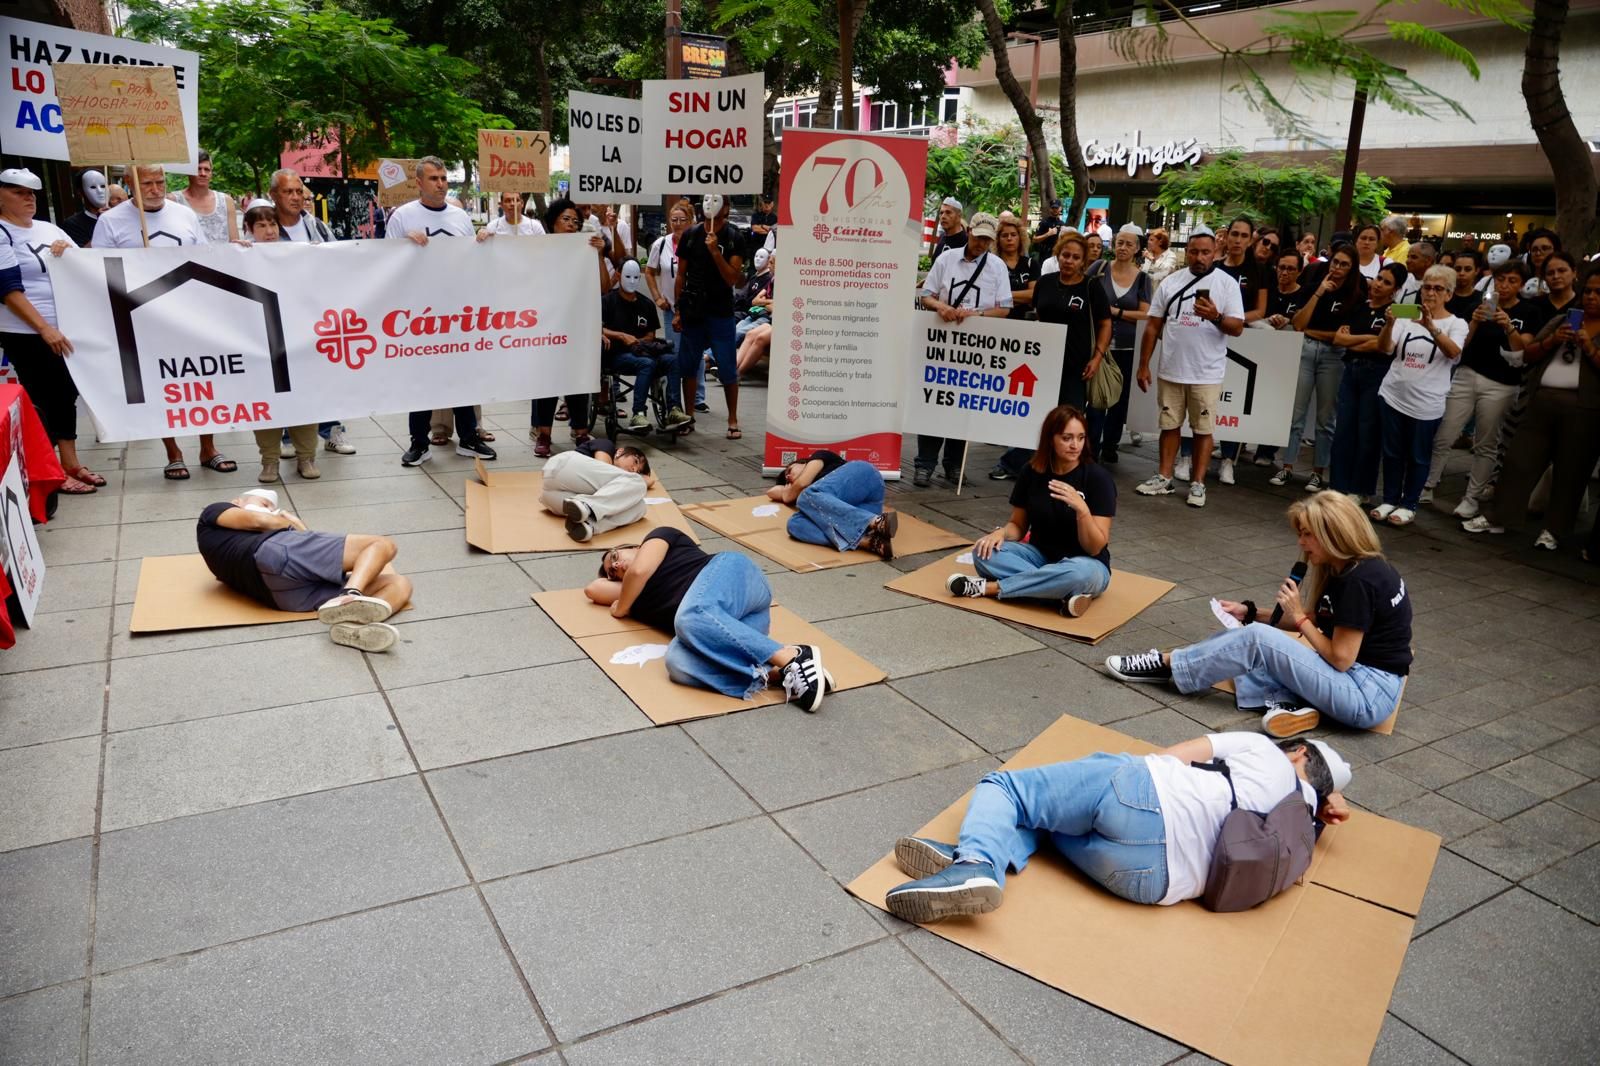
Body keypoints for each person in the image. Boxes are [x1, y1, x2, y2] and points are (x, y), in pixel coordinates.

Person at [880, 731, 1351, 921]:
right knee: (1055, 821)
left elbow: (1173, 756)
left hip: (1142, 799)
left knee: (1007, 789)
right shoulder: (1301, 835)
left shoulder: (1264, 749)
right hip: (1148, 883)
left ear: (1300, 752)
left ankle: (975, 862)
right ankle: (980, 859)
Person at [1108, 491, 1411, 737]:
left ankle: (1167, 665)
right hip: (1362, 682)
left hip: (1365, 695)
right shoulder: (1350, 568)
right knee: (1245, 649)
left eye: (1307, 534)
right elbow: (1319, 621)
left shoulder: (1358, 581)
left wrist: (1297, 617)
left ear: (1332, 534)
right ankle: (1288, 706)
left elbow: (1340, 658)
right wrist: (1250, 613)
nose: (1301, 543)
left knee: (1254, 642)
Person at [91, 164, 236, 481]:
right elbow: (98, 269)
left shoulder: (184, 215)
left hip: (189, 314)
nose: (156, 189)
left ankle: (208, 447)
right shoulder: (110, 221)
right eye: (147, 183)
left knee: (202, 380)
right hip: (143, 317)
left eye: (160, 182)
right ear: (129, 183)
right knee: (162, 385)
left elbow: (205, 257)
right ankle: (173, 452)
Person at [585, 529, 830, 711]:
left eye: (615, 555)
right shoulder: (635, 594)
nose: (617, 565)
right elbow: (593, 589)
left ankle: (793, 657)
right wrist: (624, 592)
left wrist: (621, 609)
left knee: (690, 615)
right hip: (733, 627)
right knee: (677, 663)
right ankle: (776, 673)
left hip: (736, 578)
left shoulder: (661, 537)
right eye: (612, 571)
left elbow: (639, 570)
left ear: (635, 546)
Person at [1463, 265, 1600, 551]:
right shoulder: (1562, 319)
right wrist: (1554, 339)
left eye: (1598, 293)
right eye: (1588, 291)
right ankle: (1500, 516)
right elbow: (1528, 354)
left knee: (1571, 470)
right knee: (1519, 460)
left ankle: (1554, 530)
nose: (1591, 297)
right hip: (1542, 400)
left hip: (1585, 409)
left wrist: (1589, 347)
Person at [948, 405, 1115, 618]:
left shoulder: (1098, 478)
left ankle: (991, 588)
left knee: (1077, 574)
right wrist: (1000, 533)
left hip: (1085, 563)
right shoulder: (1032, 471)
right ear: (1050, 439)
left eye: (1081, 438)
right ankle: (1056, 591)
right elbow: (1018, 525)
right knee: (982, 552)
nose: (1075, 445)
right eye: (1067, 438)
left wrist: (1082, 510)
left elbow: (1095, 547)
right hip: (1039, 556)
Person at [196, 488, 412, 652]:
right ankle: (350, 593)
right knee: (382, 545)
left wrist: (293, 527)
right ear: (237, 502)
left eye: (272, 507)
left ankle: (354, 629)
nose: (270, 509)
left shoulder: (219, 553)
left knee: (399, 584)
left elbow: (307, 549)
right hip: (272, 553)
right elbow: (259, 520)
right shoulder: (215, 510)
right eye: (264, 503)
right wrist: (288, 522)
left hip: (284, 598)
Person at [386, 157, 498, 467]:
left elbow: (471, 260)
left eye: (444, 178)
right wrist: (403, 245)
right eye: (433, 178)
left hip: (456, 313)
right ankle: (419, 443)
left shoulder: (460, 217)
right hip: (420, 316)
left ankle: (469, 438)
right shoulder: (402, 216)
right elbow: (385, 261)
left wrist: (482, 242)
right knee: (422, 380)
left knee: (461, 376)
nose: (440, 184)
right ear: (418, 183)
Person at [0, 168, 99, 496]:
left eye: (31, 193)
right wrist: (43, 328)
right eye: (18, 192)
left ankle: (69, 463)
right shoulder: (2, 232)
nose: (28, 198)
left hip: (64, 325)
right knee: (44, 396)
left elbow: (83, 265)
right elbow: (8, 289)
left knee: (65, 394)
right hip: (26, 331)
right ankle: (49, 470)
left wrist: (68, 251)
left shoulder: (47, 227)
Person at [1134, 227, 1246, 508]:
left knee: (1203, 430)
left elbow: (1237, 327)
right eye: (1194, 252)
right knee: (1169, 425)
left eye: (1205, 252)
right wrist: (1143, 365)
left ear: (1214, 252)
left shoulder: (1227, 284)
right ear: (1186, 252)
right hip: (1171, 369)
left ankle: (1198, 483)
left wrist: (1216, 316)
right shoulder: (1171, 282)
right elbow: (1152, 327)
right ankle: (1164, 477)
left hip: (1206, 372)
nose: (1199, 257)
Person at [1424, 260, 1543, 517]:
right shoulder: (1475, 306)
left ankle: (1472, 497)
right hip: (1467, 374)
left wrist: (1508, 325)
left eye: (1512, 280)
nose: (1505, 285)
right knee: (1445, 434)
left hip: (1502, 383)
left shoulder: (1529, 312)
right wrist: (1475, 322)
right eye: (1501, 279)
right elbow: (1459, 347)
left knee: (1486, 443)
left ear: (1522, 284)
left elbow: (1523, 350)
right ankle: (1427, 485)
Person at [915, 211, 1013, 486]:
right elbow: (926, 296)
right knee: (934, 403)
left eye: (987, 240)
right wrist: (942, 307)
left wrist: (977, 316)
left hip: (975, 348)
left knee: (963, 407)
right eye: (978, 237)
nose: (981, 244)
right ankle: (925, 464)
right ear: (969, 232)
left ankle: (954, 465)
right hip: (942, 343)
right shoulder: (946, 259)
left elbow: (1004, 308)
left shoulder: (997, 267)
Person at [1370, 264, 1468, 525]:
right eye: (1427, 287)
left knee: (1418, 455)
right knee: (1392, 452)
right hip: (1393, 394)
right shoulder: (1406, 316)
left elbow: (1453, 353)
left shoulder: (1456, 323)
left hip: (1426, 403)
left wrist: (1431, 327)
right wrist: (1389, 325)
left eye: (1438, 289)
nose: (1431, 293)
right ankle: (1390, 499)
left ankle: (1409, 503)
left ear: (1449, 294)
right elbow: (1385, 348)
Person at [265, 169, 354, 455]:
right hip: (282, 316)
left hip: (317, 315)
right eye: (287, 192)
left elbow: (339, 261)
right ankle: (289, 436)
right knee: (288, 376)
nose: (295, 197)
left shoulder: (317, 226)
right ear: (273, 195)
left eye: (298, 191)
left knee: (324, 375)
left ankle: (332, 431)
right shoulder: (266, 228)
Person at [1265, 243, 1365, 490]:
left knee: (1325, 418)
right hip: (1306, 350)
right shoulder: (1313, 288)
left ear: (1352, 268)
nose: (1337, 268)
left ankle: (1318, 472)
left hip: (1334, 356)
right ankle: (1287, 466)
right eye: (1335, 262)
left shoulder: (1356, 296)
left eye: (1344, 264)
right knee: (1295, 414)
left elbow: (1340, 337)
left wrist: (1314, 331)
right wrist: (1319, 292)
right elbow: (1299, 324)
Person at [529, 197, 611, 456]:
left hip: (577, 326)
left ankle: (580, 431)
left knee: (578, 379)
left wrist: (599, 255)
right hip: (546, 326)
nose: (571, 225)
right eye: (566, 219)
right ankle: (543, 434)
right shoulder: (540, 249)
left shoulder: (586, 249)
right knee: (547, 380)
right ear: (552, 222)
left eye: (576, 222)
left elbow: (604, 287)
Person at [1328, 262, 1407, 503]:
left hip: (1377, 373)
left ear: (1395, 289)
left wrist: (1356, 340)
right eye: (1379, 278)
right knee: (1343, 429)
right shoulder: (1360, 306)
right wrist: (1365, 339)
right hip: (1351, 370)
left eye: (1386, 282)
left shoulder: (1395, 313)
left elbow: (1381, 346)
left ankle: (1360, 489)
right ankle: (1338, 484)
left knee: (1368, 432)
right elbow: (1339, 339)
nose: (1378, 285)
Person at [674, 193, 747, 440]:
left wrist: (716, 252)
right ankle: (689, 416)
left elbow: (732, 278)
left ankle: (733, 419)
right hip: (694, 310)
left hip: (720, 311)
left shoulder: (734, 237)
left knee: (727, 367)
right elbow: (681, 275)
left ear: (725, 208)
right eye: (706, 200)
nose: (709, 205)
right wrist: (678, 310)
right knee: (689, 365)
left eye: (716, 201)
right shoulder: (690, 235)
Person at [1092, 224, 1152, 462]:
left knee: (1120, 399)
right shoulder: (1099, 268)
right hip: (1098, 345)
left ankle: (1110, 445)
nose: (1123, 248)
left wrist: (1115, 312)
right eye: (1120, 243)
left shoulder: (1143, 279)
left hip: (1127, 347)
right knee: (1096, 396)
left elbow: (1145, 315)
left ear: (1137, 248)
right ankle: (1091, 445)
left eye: (1129, 244)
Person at [768, 451, 897, 559]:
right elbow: (771, 492)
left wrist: (789, 493)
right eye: (787, 482)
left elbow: (802, 483)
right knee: (795, 524)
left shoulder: (818, 457)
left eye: (789, 470)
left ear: (802, 462)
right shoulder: (810, 496)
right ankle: (869, 541)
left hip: (864, 478)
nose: (788, 476)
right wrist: (789, 490)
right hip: (858, 510)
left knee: (805, 496)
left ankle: (877, 522)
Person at [602, 260, 676, 434]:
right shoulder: (607, 301)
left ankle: (674, 409)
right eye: (628, 276)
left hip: (643, 350)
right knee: (647, 364)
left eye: (636, 277)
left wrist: (638, 341)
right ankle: (638, 413)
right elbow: (598, 328)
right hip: (618, 354)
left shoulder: (646, 304)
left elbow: (651, 334)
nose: (632, 281)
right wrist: (621, 336)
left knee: (672, 360)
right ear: (618, 275)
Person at [645, 199, 698, 429]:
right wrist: (657, 297)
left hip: (694, 310)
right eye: (673, 219)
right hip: (671, 310)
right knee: (674, 357)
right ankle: (674, 407)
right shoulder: (661, 244)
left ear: (691, 221)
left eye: (682, 220)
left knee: (693, 360)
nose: (677, 224)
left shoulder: (697, 242)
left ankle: (693, 407)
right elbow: (649, 271)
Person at [540, 443, 654, 542]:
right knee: (637, 482)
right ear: (620, 451)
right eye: (635, 461)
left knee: (641, 507)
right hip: (564, 466)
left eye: (638, 471)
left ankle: (589, 525)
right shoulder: (606, 445)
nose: (634, 470)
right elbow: (604, 464)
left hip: (557, 498)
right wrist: (637, 478)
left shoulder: (620, 482)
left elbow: (648, 481)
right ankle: (587, 506)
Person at [168, 150, 238, 244]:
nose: (203, 173)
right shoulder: (173, 200)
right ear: (188, 172)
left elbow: (235, 243)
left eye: (207, 169)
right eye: (198, 169)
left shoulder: (226, 201)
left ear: (211, 173)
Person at [995, 215, 1035, 321]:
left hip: (1024, 322)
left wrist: (1002, 297)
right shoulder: (992, 264)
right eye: (1004, 235)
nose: (1009, 239)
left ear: (1020, 238)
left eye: (1013, 235)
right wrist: (1021, 297)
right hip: (997, 320)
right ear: (998, 240)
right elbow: (988, 296)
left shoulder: (1031, 264)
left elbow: (1033, 295)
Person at [60, 169, 110, 248]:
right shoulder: (72, 224)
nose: (100, 191)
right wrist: (102, 225)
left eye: (103, 186)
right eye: (93, 187)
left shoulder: (119, 216)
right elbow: (82, 253)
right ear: (80, 192)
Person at [478, 191, 545, 239]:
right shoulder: (492, 227)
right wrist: (481, 237)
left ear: (522, 203)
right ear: (501, 205)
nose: (512, 204)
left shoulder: (535, 227)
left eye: (516, 200)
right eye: (508, 200)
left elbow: (544, 248)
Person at [1518, 228, 1559, 299]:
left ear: (1555, 251)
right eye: (1534, 249)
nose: (1538, 253)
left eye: (1545, 248)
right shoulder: (1521, 279)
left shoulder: (1560, 280)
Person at [1031, 199, 1065, 273]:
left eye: (1056, 208)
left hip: (1057, 255)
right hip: (1044, 254)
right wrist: (1048, 234)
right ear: (1050, 209)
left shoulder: (1062, 224)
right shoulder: (1044, 223)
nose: (1054, 210)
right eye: (1053, 208)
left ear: (1060, 208)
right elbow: (1034, 239)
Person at [931, 197, 967, 262]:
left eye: (948, 212)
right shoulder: (942, 237)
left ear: (959, 216)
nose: (943, 216)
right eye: (941, 213)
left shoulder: (967, 241)